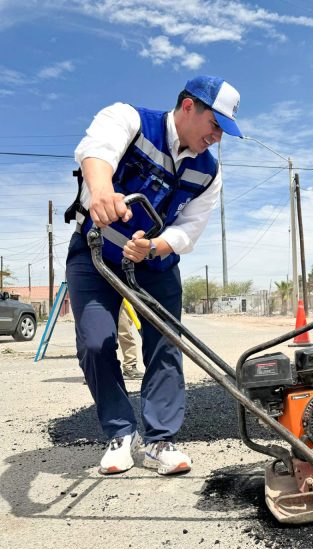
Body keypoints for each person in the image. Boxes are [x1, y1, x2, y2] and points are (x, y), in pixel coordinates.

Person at [65, 75, 243, 475]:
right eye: (214, 125)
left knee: (165, 344)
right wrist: (101, 190)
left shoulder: (209, 173)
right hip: (96, 252)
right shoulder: (129, 119)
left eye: (223, 131)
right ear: (187, 108)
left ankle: (160, 441)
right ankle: (120, 433)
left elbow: (188, 229)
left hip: (153, 261)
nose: (216, 137)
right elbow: (96, 151)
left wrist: (155, 247)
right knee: (96, 342)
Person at [117, 302, 143, 380]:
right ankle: (96, 370)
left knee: (124, 330)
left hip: (124, 296)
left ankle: (129, 366)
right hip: (101, 295)